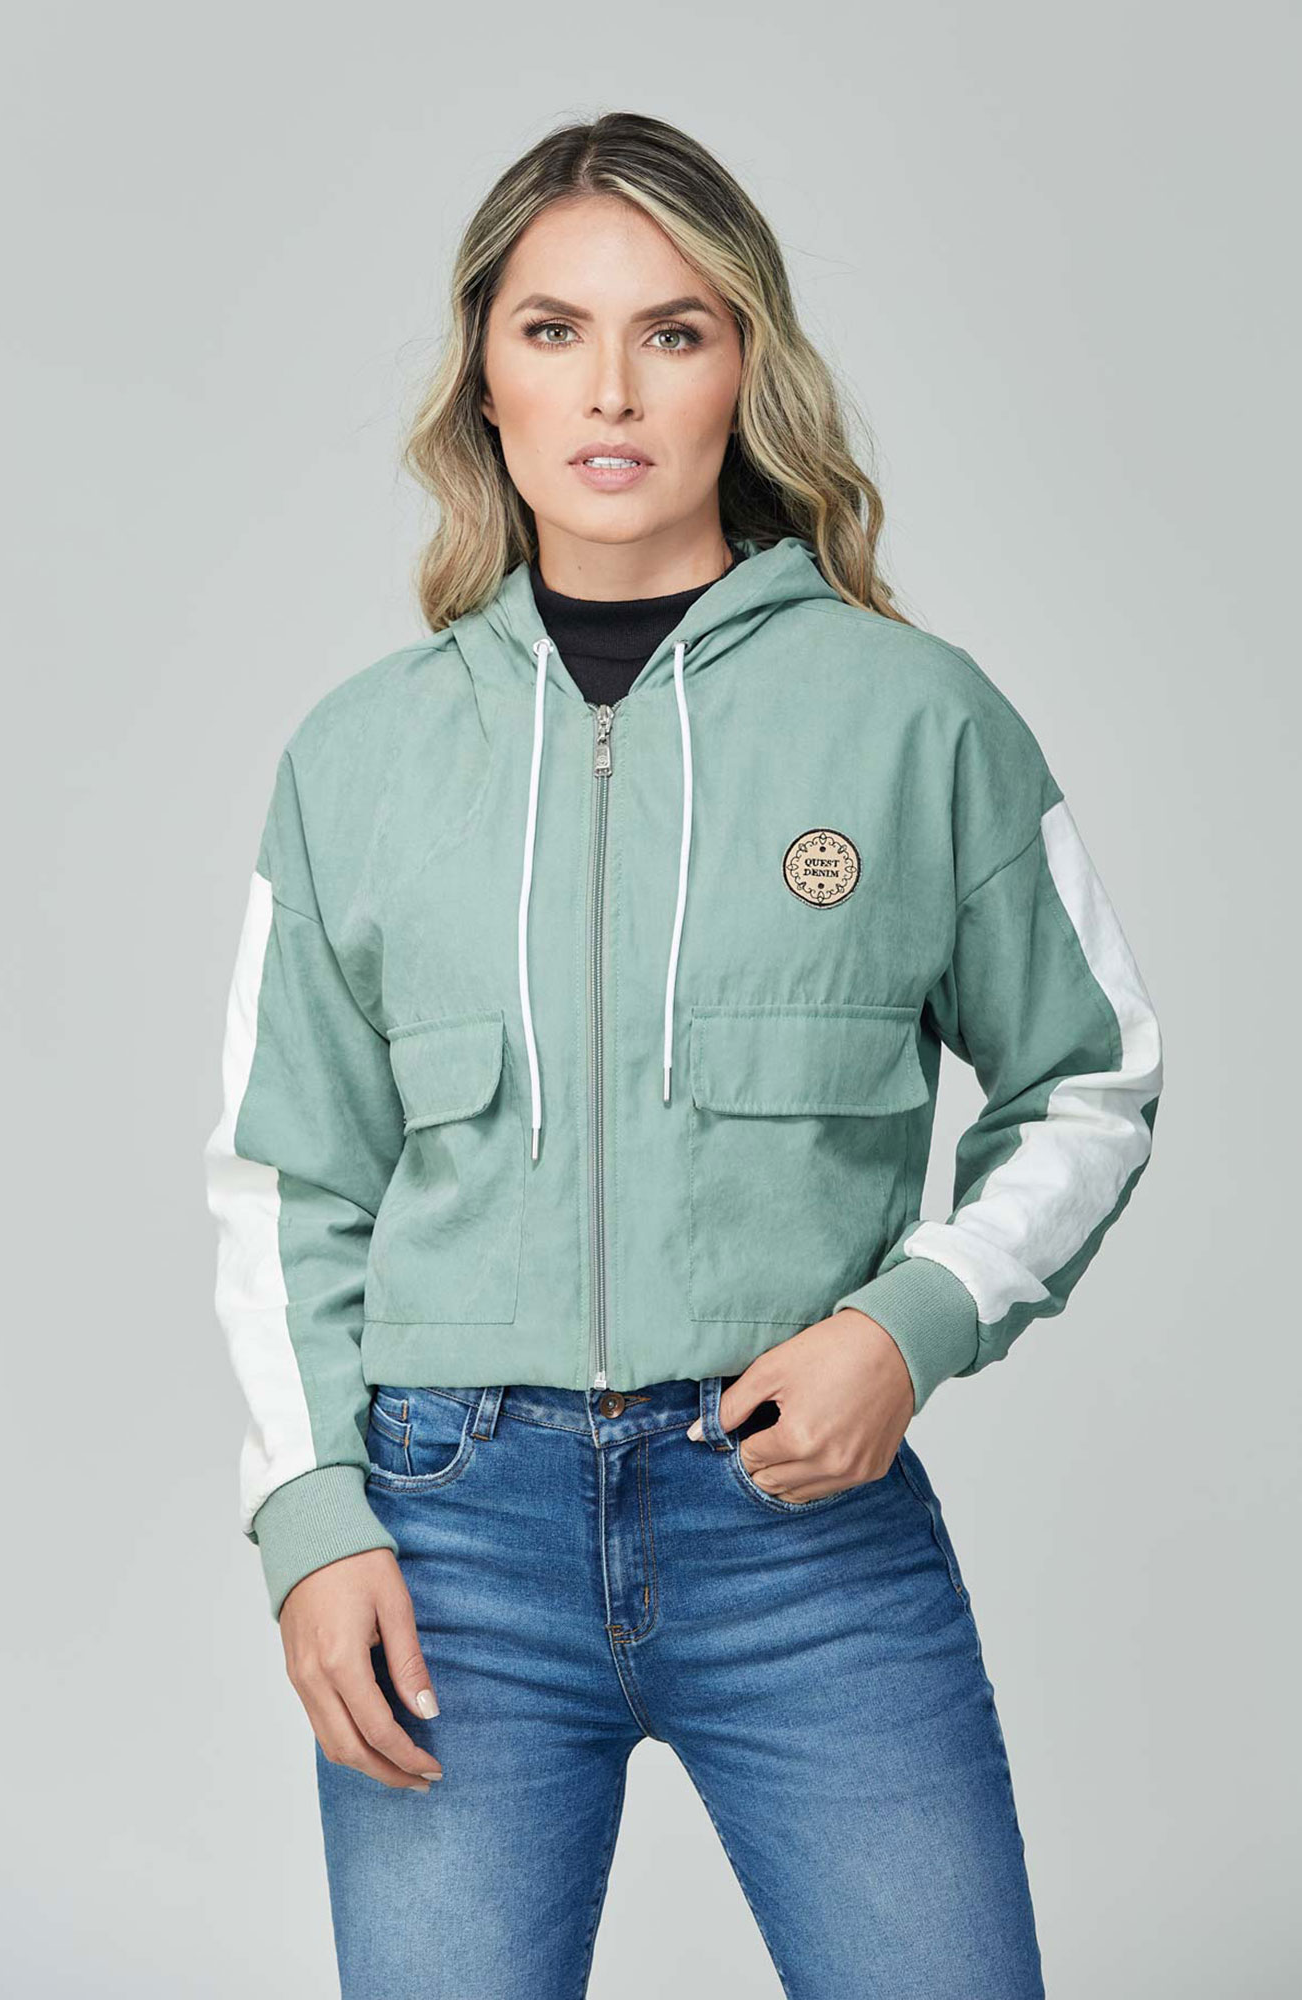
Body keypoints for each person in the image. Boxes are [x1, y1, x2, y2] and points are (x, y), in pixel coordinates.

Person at [202, 110, 1163, 2000]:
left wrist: (908, 1324)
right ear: (483, 374)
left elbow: (1091, 1080)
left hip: (798, 1532)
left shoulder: (916, 718)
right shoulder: (357, 758)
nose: (612, 389)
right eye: (553, 330)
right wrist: (309, 1521)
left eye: (674, 328)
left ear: (747, 365)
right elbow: (283, 1177)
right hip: (447, 1546)